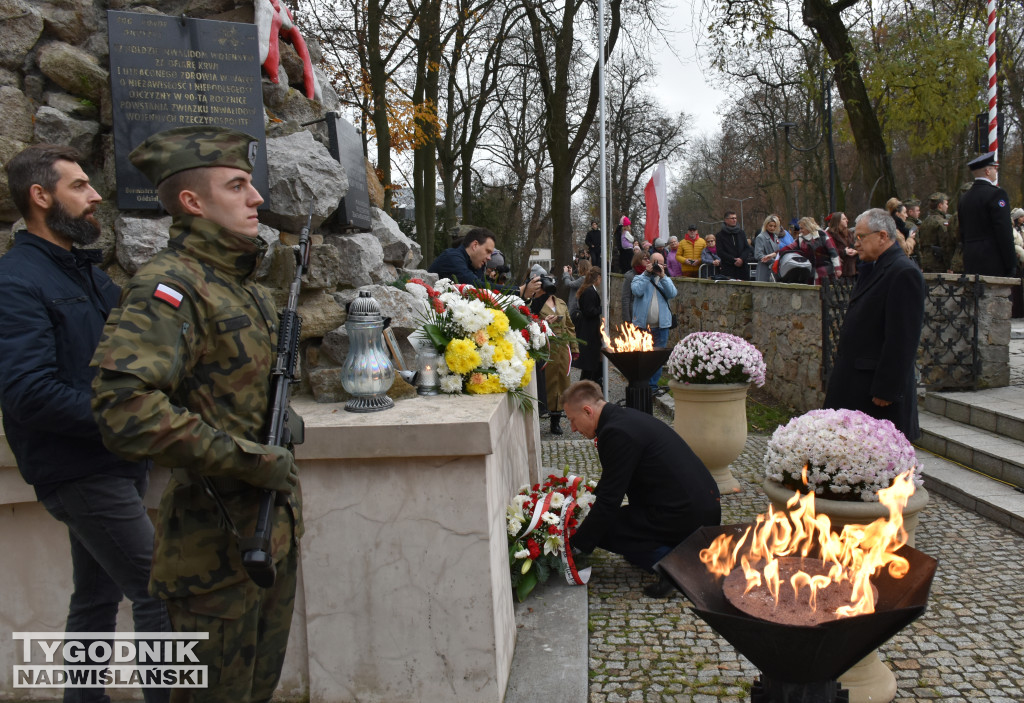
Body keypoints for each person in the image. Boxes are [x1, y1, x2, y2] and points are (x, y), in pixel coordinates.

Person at [90, 126, 300, 702]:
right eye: (236, 186)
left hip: (269, 535)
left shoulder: (241, 285)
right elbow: (123, 409)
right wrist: (247, 459)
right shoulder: (169, 286)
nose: (256, 197)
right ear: (192, 201)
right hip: (212, 552)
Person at [0, 144, 169, 703]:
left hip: (115, 461)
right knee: (159, 592)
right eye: (79, 186)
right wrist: (131, 419)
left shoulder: (85, 272)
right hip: (79, 469)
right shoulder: (16, 281)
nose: (95, 196)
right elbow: (28, 393)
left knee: (96, 598)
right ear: (40, 196)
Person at [562, 380, 721, 598]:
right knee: (608, 524)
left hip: (686, 515)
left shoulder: (616, 432)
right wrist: (583, 507)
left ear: (588, 411)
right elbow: (613, 482)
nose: (572, 428)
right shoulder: (623, 419)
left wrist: (576, 544)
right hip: (698, 505)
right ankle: (665, 553)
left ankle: (674, 568)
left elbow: (610, 500)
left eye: (572, 420)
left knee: (604, 529)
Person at [824, 208, 925, 440]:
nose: (856, 243)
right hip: (857, 385)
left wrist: (887, 389)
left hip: (876, 394)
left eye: (861, 236)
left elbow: (902, 338)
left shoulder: (903, 273)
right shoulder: (874, 268)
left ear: (882, 236)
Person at [429, 227, 541, 297]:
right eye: (488, 252)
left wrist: (524, 293)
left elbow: (487, 288)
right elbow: (477, 286)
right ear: (475, 245)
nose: (489, 258)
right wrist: (519, 291)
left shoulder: (474, 265)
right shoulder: (452, 258)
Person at [958, 152, 1017, 277]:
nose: (996, 171)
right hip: (993, 259)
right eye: (994, 168)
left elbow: (962, 231)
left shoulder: (964, 198)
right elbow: (1004, 230)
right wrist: (1011, 263)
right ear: (987, 171)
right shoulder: (997, 194)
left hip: (970, 258)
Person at [535, 277, 577, 435]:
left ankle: (556, 421)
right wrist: (543, 322)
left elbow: (570, 326)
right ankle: (539, 416)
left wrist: (574, 347)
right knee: (546, 384)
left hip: (562, 350)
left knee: (562, 384)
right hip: (545, 349)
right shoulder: (536, 303)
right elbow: (530, 323)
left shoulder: (561, 303)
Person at [630, 251, 677, 388]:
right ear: (649, 263)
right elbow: (637, 291)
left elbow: (672, 293)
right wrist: (646, 274)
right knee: (641, 358)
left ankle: (652, 387)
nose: (658, 266)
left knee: (657, 359)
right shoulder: (639, 278)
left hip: (661, 327)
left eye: (661, 263)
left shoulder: (665, 280)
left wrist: (663, 276)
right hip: (643, 327)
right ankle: (641, 384)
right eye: (656, 263)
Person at [776, 216, 841, 284]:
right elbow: (789, 247)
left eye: (802, 228)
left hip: (826, 272)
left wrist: (838, 268)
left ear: (808, 227)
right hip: (810, 273)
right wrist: (777, 253)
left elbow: (833, 252)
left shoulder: (822, 235)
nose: (800, 230)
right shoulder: (801, 239)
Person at [575, 268, 604, 389]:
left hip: (590, 328)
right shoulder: (589, 291)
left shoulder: (588, 290)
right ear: (598, 277)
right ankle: (584, 387)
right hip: (589, 330)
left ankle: (592, 384)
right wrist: (601, 309)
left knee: (592, 362)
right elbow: (589, 311)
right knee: (590, 362)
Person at [916, 193, 954, 273]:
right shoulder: (942, 222)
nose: (947, 206)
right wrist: (949, 265)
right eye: (946, 203)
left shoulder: (925, 222)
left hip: (925, 261)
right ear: (940, 205)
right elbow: (945, 245)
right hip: (938, 263)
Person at [715, 211, 753, 280]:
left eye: (735, 218)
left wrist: (741, 259)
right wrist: (733, 260)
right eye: (732, 218)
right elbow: (720, 251)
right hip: (728, 268)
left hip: (742, 268)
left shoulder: (741, 233)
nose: (734, 220)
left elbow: (747, 248)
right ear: (726, 220)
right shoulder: (720, 235)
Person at [620, 248, 648, 327]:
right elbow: (625, 298)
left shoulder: (649, 275)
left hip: (646, 315)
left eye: (648, 258)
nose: (648, 261)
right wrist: (627, 319)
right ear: (638, 260)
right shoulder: (630, 276)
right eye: (645, 259)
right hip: (634, 315)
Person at [827, 211, 858, 278]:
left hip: (852, 269)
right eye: (844, 219)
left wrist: (856, 251)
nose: (847, 220)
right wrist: (844, 252)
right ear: (837, 221)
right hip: (838, 271)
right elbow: (828, 251)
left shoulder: (849, 233)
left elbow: (856, 246)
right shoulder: (830, 234)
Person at [753, 214, 783, 282]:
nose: (772, 228)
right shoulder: (760, 237)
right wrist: (773, 261)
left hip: (774, 269)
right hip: (764, 269)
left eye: (774, 226)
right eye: (770, 226)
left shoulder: (775, 237)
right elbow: (758, 255)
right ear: (766, 225)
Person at [562, 258, 591, 324]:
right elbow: (575, 284)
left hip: (576, 305)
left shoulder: (583, 278)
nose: (578, 268)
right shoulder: (586, 277)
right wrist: (570, 275)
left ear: (582, 268)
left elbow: (569, 284)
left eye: (579, 267)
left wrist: (565, 273)